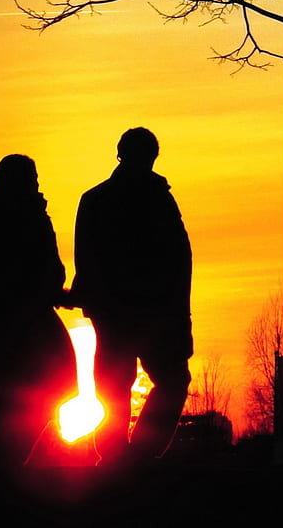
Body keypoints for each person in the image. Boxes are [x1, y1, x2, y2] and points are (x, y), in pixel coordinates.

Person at [71, 128, 192, 464]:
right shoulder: (157, 199)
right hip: (151, 311)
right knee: (161, 381)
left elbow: (85, 258)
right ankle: (131, 456)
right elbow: (177, 258)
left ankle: (119, 456)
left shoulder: (97, 199)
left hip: (126, 311)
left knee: (119, 383)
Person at [0, 154, 75, 471]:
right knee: (37, 389)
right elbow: (52, 271)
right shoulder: (31, 218)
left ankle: (7, 464)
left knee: (8, 398)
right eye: (33, 179)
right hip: (15, 322)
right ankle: (7, 467)